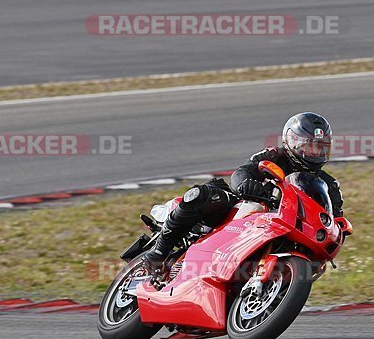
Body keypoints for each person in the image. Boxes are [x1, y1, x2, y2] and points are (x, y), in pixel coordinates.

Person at [143, 112, 344, 276]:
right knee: (201, 195)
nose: (314, 152)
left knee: (315, 264)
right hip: (246, 209)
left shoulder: (329, 185)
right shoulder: (274, 156)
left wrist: (337, 232)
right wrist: (248, 185)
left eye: (320, 147)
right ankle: (159, 251)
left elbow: (335, 219)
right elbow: (243, 172)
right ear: (292, 141)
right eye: (308, 146)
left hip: (290, 228)